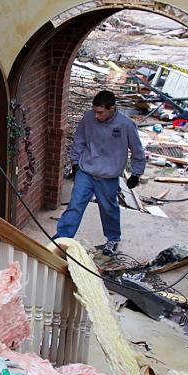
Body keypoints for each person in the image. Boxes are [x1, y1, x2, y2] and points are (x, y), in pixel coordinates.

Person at [54, 90, 147, 256]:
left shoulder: (126, 125)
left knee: (108, 208)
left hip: (108, 176)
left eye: (100, 112)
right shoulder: (88, 118)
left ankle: (113, 238)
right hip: (86, 170)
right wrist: (75, 162)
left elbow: (137, 151)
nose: (96, 116)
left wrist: (136, 173)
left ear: (112, 108)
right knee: (75, 205)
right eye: (95, 111)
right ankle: (62, 239)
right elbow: (79, 140)